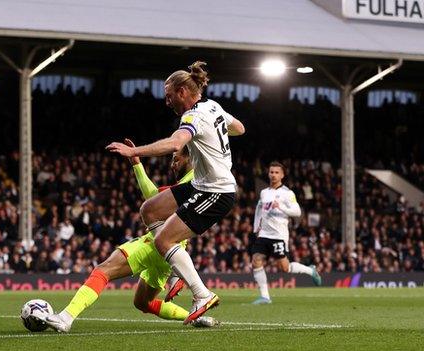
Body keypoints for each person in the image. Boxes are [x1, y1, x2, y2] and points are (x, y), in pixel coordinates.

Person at [106, 61, 245, 324]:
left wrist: (133, 152)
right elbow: (239, 128)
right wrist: (217, 139)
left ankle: (201, 294)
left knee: (163, 241)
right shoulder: (212, 106)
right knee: (150, 209)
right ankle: (175, 267)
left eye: (169, 96)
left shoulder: (192, 116)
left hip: (216, 191)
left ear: (182, 91)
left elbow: (174, 143)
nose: (166, 101)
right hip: (201, 184)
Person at [45, 140, 217, 333]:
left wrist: (137, 163)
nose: (172, 164)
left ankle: (65, 318)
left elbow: (152, 197)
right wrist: (136, 164)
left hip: (157, 243)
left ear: (189, 157)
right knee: (142, 302)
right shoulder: (192, 180)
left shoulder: (194, 178)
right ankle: (193, 317)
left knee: (104, 270)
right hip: (171, 252)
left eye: (176, 159)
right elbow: (155, 199)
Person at [251, 162, 322, 304]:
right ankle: (265, 297)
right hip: (264, 234)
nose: (273, 175)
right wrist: (255, 228)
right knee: (256, 260)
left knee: (284, 267)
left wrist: (281, 207)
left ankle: (311, 271)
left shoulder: (288, 193)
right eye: (271, 172)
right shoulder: (264, 192)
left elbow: (297, 212)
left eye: (277, 172)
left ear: (282, 175)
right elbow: (259, 209)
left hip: (279, 235)